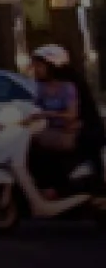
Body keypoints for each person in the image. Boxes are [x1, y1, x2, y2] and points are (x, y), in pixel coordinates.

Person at [31, 44, 82, 196]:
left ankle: (50, 187)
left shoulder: (67, 88)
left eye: (40, 66)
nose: (37, 70)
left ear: (52, 66)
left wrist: (47, 114)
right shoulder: (41, 88)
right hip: (50, 130)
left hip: (66, 132)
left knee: (36, 143)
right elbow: (34, 107)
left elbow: (71, 115)